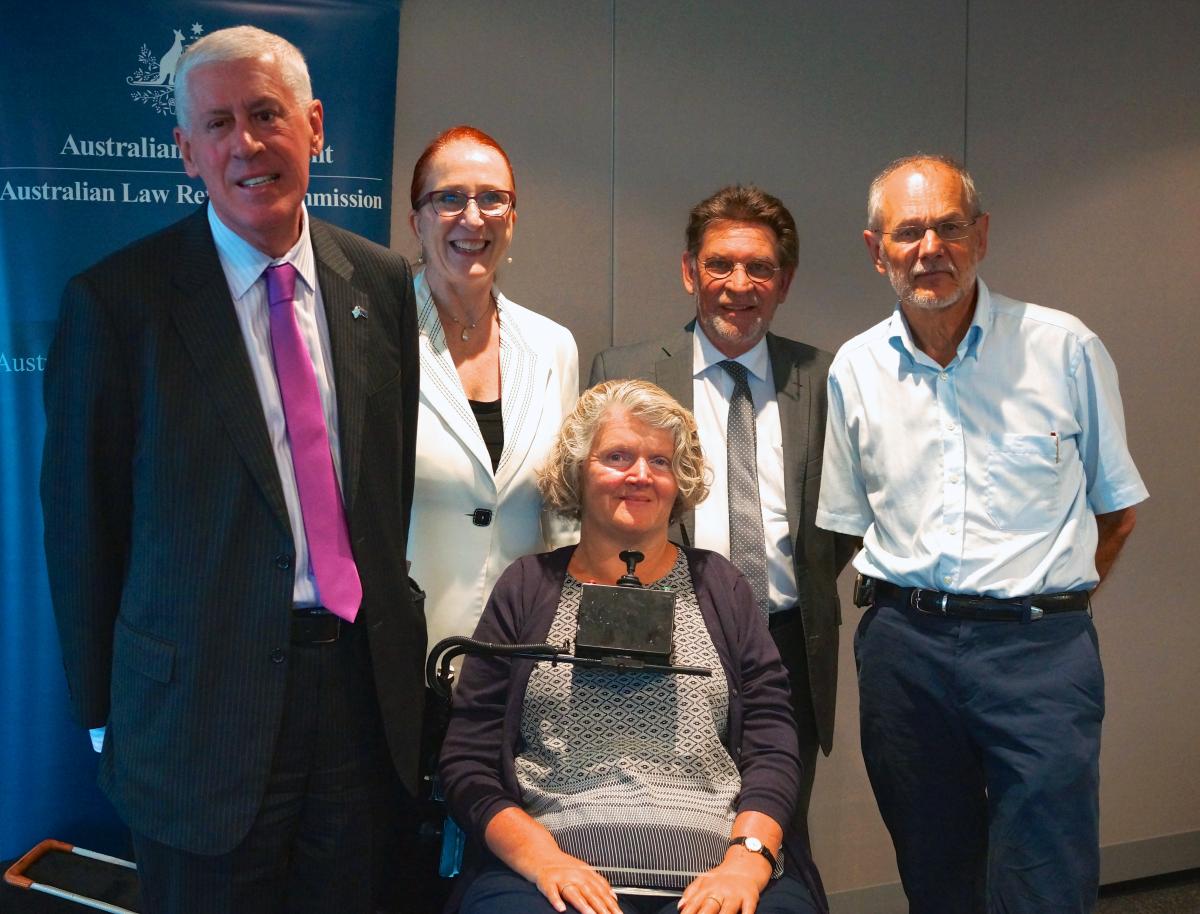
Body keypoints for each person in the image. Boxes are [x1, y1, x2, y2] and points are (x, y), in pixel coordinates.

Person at [40, 26, 424, 914]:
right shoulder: (117, 302)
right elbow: (79, 525)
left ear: (316, 125)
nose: (246, 144)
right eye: (218, 124)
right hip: (195, 718)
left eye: (266, 114)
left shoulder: (382, 283)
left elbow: (382, 489)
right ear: (185, 151)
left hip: (359, 705)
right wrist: (107, 713)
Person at [817, 154, 1148, 913]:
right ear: (877, 251)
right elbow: (847, 520)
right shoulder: (857, 370)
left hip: (1039, 652)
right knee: (935, 868)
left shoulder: (1065, 349)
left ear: (982, 236)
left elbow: (1118, 510)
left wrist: (1051, 598)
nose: (930, 247)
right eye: (908, 232)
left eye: (948, 226)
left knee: (1047, 872)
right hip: (905, 652)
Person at [439, 379, 827, 914]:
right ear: (578, 470)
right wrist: (542, 859)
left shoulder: (720, 586)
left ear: (679, 481)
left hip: (713, 868)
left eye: (660, 461)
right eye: (617, 455)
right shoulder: (528, 587)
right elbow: (468, 760)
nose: (640, 475)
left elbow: (772, 743)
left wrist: (746, 862)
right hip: (550, 873)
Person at [589, 186, 854, 842]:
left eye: (760, 268)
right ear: (689, 271)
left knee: (774, 833)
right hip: (665, 635)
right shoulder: (627, 374)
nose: (740, 285)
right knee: (661, 829)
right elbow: (590, 514)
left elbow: (845, 521)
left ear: (784, 281)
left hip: (786, 644)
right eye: (721, 265)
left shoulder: (826, 380)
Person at [407, 125, 578, 655]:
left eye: (493, 199)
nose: (473, 217)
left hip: (522, 655)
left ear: (513, 219)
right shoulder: (375, 335)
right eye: (450, 198)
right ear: (416, 220)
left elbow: (564, 513)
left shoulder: (553, 345)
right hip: (402, 652)